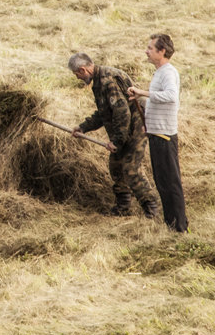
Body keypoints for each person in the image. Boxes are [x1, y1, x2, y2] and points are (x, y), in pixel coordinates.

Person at [68, 53, 160, 218]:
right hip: (123, 128)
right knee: (116, 167)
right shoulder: (99, 81)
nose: (78, 78)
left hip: (136, 125)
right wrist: (83, 127)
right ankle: (123, 206)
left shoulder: (107, 81)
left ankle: (151, 208)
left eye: (77, 74)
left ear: (83, 69)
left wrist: (117, 140)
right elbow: (104, 112)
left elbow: (122, 112)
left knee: (131, 168)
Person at [128, 34, 188, 232]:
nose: (146, 51)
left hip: (164, 136)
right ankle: (171, 224)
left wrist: (143, 92)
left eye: (150, 48)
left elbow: (171, 96)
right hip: (157, 134)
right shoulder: (160, 72)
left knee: (170, 183)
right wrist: (149, 125)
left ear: (162, 51)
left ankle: (179, 227)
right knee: (162, 182)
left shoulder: (168, 72)